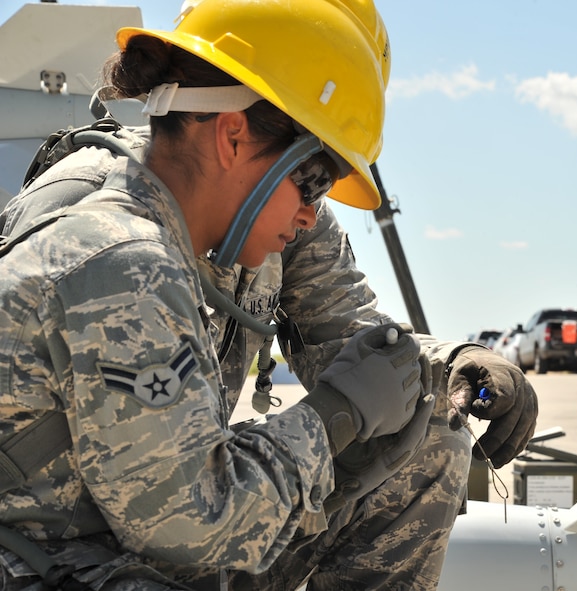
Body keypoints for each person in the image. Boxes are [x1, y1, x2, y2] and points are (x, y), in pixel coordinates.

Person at [0, 1, 539, 590]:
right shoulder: (114, 254)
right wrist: (336, 417)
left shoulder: (265, 216)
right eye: (314, 179)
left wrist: (451, 366)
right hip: (64, 555)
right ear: (233, 135)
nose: (313, 213)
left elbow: (349, 338)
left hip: (164, 523)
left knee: (427, 440)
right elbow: (194, 527)